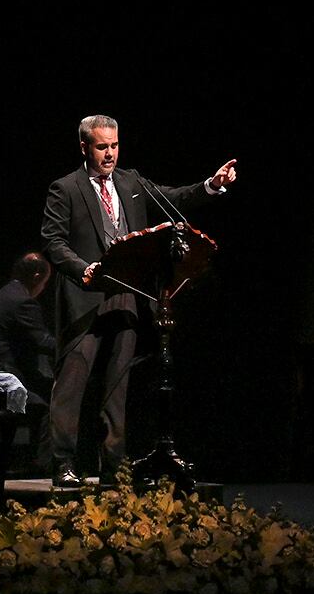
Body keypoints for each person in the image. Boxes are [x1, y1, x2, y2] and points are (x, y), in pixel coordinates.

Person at [40, 114, 237, 490]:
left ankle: (114, 467)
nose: (110, 154)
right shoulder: (65, 188)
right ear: (85, 147)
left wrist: (211, 185)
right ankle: (63, 463)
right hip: (85, 302)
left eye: (114, 145)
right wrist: (83, 269)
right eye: (102, 147)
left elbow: (173, 198)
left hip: (127, 300)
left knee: (117, 388)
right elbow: (53, 242)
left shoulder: (131, 182)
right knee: (72, 385)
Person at [0, 251, 57, 406]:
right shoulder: (23, 302)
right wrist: (70, 347)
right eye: (44, 283)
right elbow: (43, 342)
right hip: (7, 374)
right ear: (37, 277)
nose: (43, 288)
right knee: (56, 402)